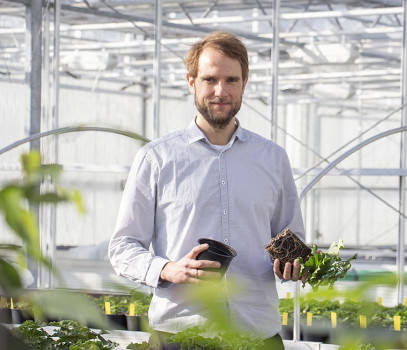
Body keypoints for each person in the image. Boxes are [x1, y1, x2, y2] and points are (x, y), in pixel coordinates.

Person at [108, 31, 306, 348]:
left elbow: (292, 240)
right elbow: (123, 246)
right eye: (210, 79)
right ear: (191, 82)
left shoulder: (272, 159)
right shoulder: (157, 159)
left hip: (256, 334)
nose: (220, 91)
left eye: (231, 80)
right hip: (180, 335)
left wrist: (294, 267)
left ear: (244, 83)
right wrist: (167, 269)